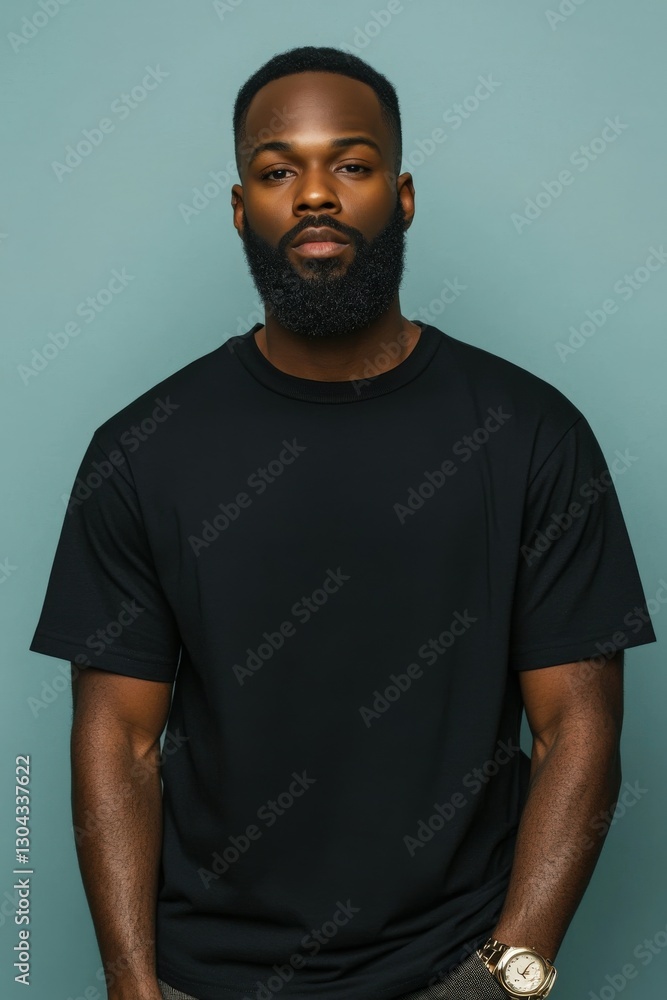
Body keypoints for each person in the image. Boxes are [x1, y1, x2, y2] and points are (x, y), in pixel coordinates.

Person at [29, 45, 657, 1000]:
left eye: (351, 165)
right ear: (242, 209)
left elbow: (578, 726)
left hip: (455, 972)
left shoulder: (530, 434)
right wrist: (132, 988)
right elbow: (117, 741)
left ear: (400, 196)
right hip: (207, 981)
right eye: (278, 171)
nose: (314, 194)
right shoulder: (141, 450)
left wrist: (507, 977)